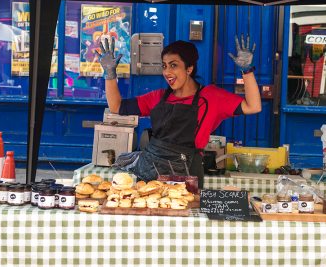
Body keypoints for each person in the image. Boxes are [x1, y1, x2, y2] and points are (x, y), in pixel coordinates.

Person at [97, 36, 261, 187]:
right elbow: (117, 107)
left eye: (173, 65)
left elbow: (253, 106)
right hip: (151, 174)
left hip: (187, 173)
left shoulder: (211, 97)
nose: (167, 72)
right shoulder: (158, 97)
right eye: (164, 66)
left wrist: (247, 71)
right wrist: (109, 74)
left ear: (189, 68)